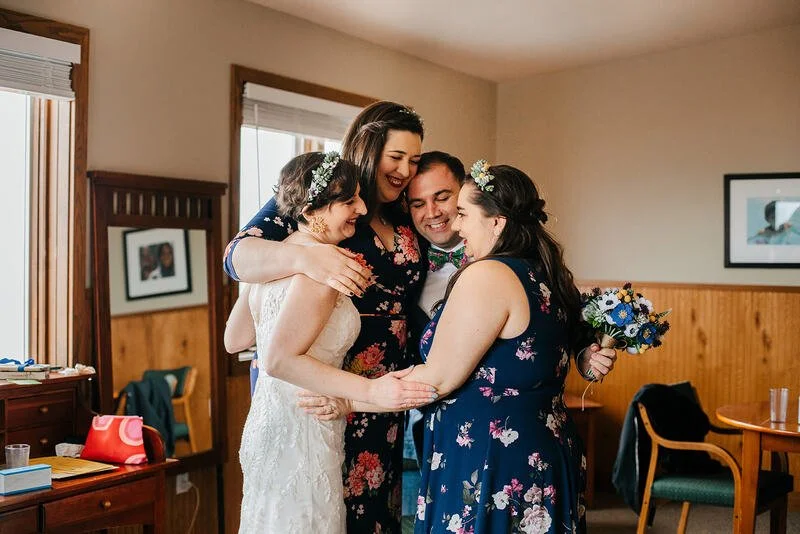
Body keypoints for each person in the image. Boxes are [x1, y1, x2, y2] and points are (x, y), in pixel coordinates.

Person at [223, 101, 427, 533]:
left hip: (381, 393)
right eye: (396, 157)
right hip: (327, 386)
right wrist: (309, 260)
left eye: (414, 160)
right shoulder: (320, 204)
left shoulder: (401, 210)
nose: (406, 170)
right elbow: (236, 256)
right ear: (369, 150)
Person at [403, 161, 615, 533]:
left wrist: (351, 398)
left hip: (491, 458)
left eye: (463, 214)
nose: (455, 225)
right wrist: (585, 353)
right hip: (542, 447)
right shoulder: (545, 273)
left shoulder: (489, 274)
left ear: (497, 222)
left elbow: (440, 377)